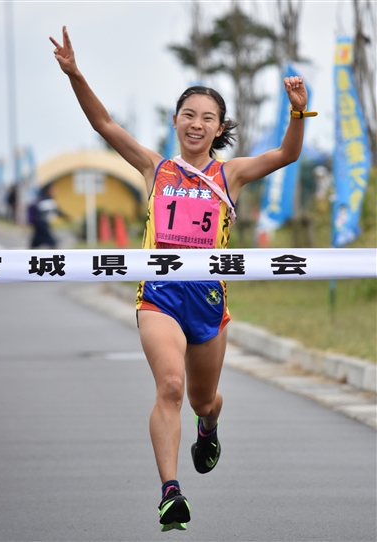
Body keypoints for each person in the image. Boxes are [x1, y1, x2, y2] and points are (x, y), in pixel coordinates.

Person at [50, 26, 308, 532]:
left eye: (206, 118)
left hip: (208, 301)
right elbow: (103, 123)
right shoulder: (154, 166)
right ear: (175, 121)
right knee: (170, 385)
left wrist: (298, 112)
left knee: (201, 399)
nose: (196, 124)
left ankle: (207, 427)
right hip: (160, 297)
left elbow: (287, 155)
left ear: (218, 129)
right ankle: (171, 492)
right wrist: (76, 74)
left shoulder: (228, 175)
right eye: (188, 114)